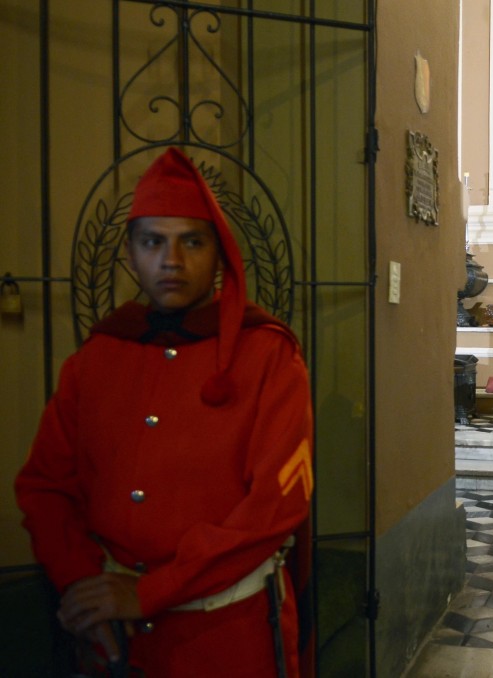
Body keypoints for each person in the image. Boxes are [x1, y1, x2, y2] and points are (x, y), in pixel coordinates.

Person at [15, 147, 314, 677]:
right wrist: (82, 585)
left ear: (219, 254)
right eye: (153, 241)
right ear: (131, 253)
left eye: (191, 242)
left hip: (228, 633)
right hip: (115, 637)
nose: (170, 260)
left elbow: (275, 506)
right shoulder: (98, 357)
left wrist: (150, 592)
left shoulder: (269, 355)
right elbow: (45, 485)